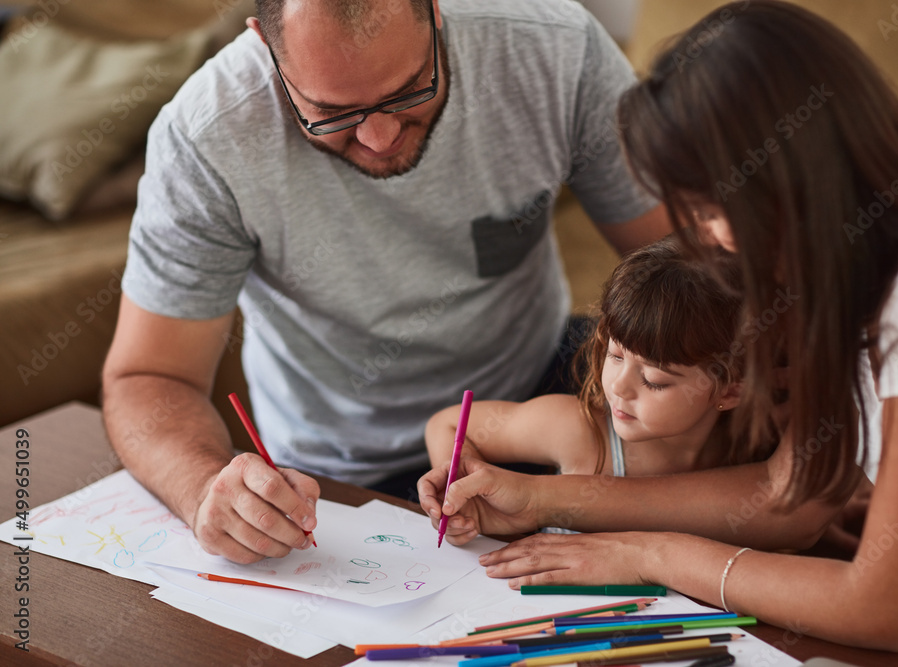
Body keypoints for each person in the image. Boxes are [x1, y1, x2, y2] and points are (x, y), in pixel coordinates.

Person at [427, 1, 898, 662]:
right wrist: (537, 498)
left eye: (707, 207)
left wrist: (652, 554)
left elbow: (879, 607)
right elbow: (782, 493)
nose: (706, 239)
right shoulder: (839, 279)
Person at [101, 0, 667, 565]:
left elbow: (677, 261)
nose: (379, 136)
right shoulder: (205, 138)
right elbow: (149, 375)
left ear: (437, 12)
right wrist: (203, 489)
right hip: (342, 474)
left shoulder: (553, 48)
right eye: (331, 112)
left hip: (545, 382)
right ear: (265, 46)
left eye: (408, 92)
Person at [421, 235, 765, 537]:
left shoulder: (754, 453)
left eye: (654, 380)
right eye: (615, 355)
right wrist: (461, 489)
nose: (619, 386)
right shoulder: (577, 431)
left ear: (730, 391)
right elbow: (448, 423)